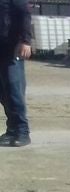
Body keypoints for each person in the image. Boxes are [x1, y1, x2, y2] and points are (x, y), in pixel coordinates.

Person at [0, 0, 31, 147]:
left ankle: (22, 131)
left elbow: (24, 13)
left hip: (12, 46)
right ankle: (12, 129)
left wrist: (25, 40)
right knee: (3, 91)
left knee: (14, 89)